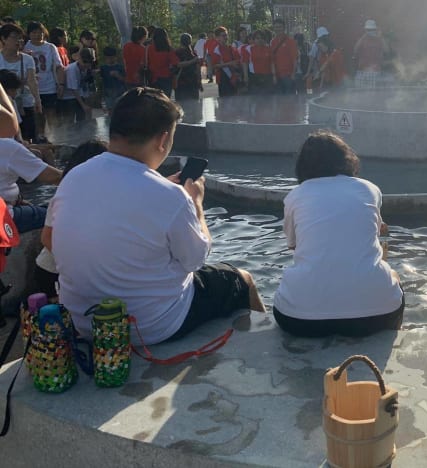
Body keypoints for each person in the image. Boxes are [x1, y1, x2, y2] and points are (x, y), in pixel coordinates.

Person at [49, 87, 265, 344]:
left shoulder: (73, 177)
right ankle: (267, 347)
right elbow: (195, 260)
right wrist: (196, 205)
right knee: (241, 279)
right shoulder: (170, 196)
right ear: (163, 140)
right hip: (152, 325)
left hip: (84, 322)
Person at [274, 130, 404, 337]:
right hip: (378, 316)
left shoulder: (295, 196)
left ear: (302, 166)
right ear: (346, 160)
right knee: (393, 275)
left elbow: (293, 246)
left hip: (299, 319)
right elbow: (375, 233)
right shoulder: (369, 190)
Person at [37, 139, 108, 298]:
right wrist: (73, 265)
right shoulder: (65, 198)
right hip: (54, 272)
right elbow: (47, 237)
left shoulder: (97, 197)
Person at [0, 133, 61, 234]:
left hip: (8, 204)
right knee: (59, 214)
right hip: (5, 218)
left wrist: (16, 199)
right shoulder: (7, 147)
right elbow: (53, 177)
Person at [0, 23, 40, 142]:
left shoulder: (28, 59)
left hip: (25, 102)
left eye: (20, 38)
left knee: (29, 136)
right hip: (4, 105)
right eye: (14, 37)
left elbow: (32, 81)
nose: (18, 41)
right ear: (3, 39)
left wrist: (37, 100)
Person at [23, 22, 61, 143]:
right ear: (29, 34)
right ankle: (41, 139)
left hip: (49, 86)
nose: (37, 35)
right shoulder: (24, 47)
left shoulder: (50, 47)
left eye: (40, 32)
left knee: (51, 114)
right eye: (34, 32)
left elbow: (58, 66)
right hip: (32, 88)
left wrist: (60, 84)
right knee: (38, 115)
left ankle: (55, 139)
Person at [57, 48, 95, 123]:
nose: (87, 64)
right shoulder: (72, 69)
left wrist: (88, 104)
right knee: (69, 120)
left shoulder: (87, 69)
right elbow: (74, 90)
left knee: (82, 120)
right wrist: (84, 105)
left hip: (80, 95)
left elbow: (87, 87)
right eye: (85, 62)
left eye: (90, 62)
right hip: (68, 97)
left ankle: (82, 129)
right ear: (79, 59)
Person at [353, 19, 388, 88]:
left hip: (375, 71)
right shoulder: (363, 39)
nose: (370, 31)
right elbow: (355, 50)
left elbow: (386, 50)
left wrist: (381, 37)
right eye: (368, 30)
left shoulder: (379, 39)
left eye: (372, 29)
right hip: (363, 71)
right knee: (362, 91)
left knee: (374, 92)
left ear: (375, 30)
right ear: (365, 30)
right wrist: (363, 36)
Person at [146, 28, 179, 97]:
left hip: (152, 78)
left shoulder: (149, 48)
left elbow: (146, 63)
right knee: (165, 100)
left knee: (154, 99)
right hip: (166, 79)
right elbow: (175, 64)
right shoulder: (168, 49)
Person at [210, 27, 241, 97]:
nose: (226, 37)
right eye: (223, 36)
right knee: (225, 101)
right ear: (217, 37)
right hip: (223, 78)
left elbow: (238, 60)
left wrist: (236, 64)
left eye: (226, 35)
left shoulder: (231, 48)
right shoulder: (216, 49)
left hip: (234, 77)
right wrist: (230, 63)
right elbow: (214, 65)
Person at [270, 18, 298, 94]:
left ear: (284, 28)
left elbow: (295, 59)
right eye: (276, 27)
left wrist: (293, 74)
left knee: (290, 99)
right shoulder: (272, 42)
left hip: (288, 75)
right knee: (279, 99)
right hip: (277, 76)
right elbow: (272, 60)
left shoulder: (291, 41)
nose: (278, 29)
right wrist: (274, 76)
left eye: (280, 27)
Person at [243, 30, 275, 94]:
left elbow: (272, 63)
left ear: (264, 39)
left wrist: (274, 76)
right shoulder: (248, 49)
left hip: (267, 77)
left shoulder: (269, 49)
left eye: (262, 38)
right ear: (254, 39)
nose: (260, 40)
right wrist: (245, 76)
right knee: (255, 98)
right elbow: (245, 63)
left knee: (268, 98)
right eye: (257, 38)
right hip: (254, 77)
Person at [174, 33, 202, 101]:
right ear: (190, 42)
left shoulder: (177, 52)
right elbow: (198, 69)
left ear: (180, 42)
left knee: (182, 104)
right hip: (193, 82)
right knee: (194, 104)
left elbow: (177, 65)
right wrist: (199, 81)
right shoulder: (193, 54)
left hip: (181, 82)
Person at [100, 46, 125, 112]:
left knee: (120, 109)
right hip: (108, 92)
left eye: (112, 57)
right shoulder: (103, 68)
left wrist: (118, 76)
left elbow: (125, 80)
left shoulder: (120, 67)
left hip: (119, 91)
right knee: (110, 110)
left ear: (115, 57)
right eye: (108, 58)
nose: (110, 59)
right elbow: (102, 82)